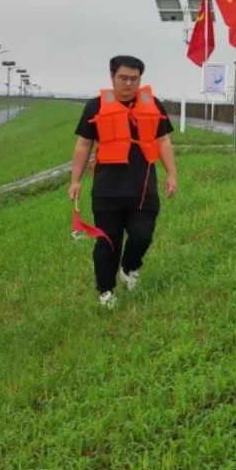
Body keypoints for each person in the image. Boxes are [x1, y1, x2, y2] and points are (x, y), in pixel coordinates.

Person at [68, 55, 178, 308]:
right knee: (108, 241)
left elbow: (163, 142)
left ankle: (130, 268)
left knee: (142, 235)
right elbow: (83, 145)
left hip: (143, 188)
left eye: (134, 79)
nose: (128, 83)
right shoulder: (95, 107)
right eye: (123, 78)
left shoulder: (154, 106)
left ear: (140, 79)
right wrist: (75, 181)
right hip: (108, 190)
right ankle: (106, 290)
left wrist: (172, 174)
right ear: (112, 77)